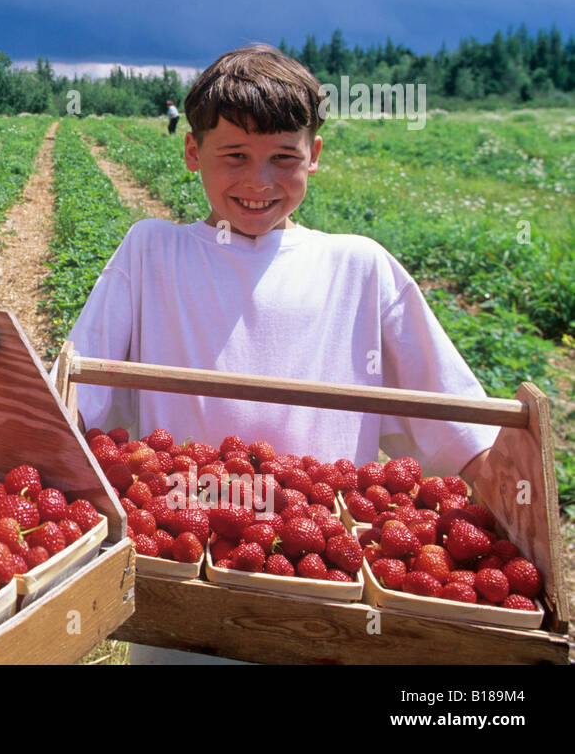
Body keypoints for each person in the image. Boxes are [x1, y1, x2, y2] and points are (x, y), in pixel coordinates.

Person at [63, 43, 499, 665]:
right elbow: (79, 395)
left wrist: (510, 497)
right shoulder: (152, 253)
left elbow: (458, 417)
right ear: (193, 153)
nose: (258, 181)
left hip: (326, 566)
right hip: (193, 559)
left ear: (314, 157)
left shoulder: (358, 266)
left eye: (283, 158)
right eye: (234, 155)